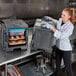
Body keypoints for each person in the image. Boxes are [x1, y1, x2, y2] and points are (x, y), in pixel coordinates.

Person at [43, 8, 74, 76]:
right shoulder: (61, 19)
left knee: (68, 67)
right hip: (58, 46)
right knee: (57, 65)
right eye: (61, 14)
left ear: (69, 17)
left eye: (64, 15)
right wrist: (50, 19)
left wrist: (51, 28)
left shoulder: (70, 26)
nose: (61, 16)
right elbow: (57, 22)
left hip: (65, 49)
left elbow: (61, 36)